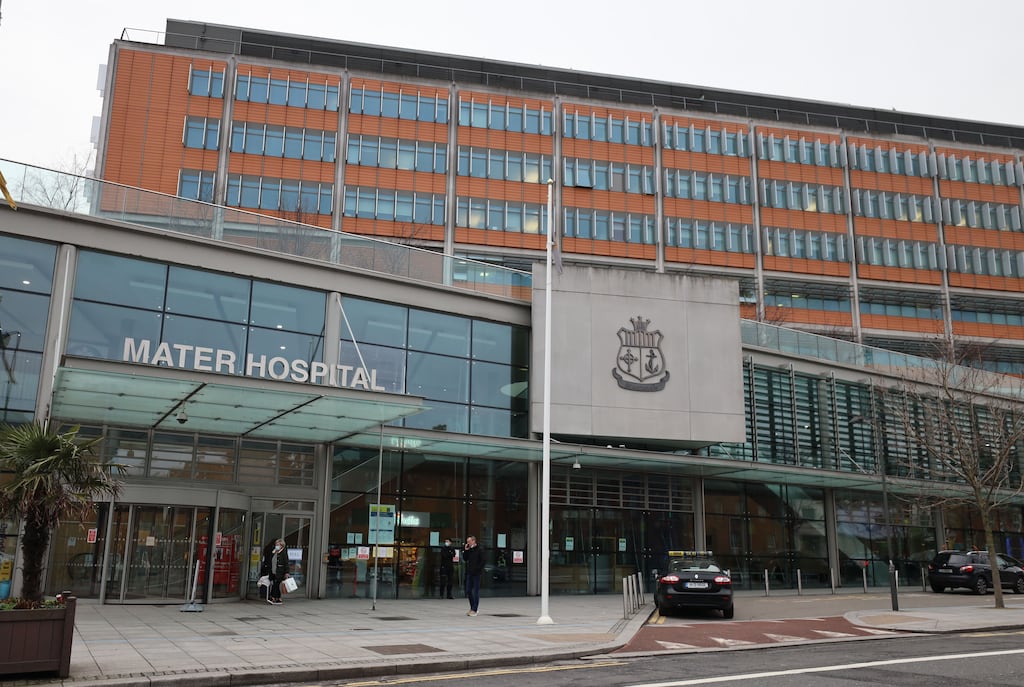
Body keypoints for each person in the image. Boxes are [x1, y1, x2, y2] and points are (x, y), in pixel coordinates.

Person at [260, 539, 290, 605]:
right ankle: (278, 598)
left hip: (280, 572)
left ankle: (273, 597)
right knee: (275, 585)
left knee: (275, 585)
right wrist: (273, 552)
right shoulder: (274, 551)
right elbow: (270, 560)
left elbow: (286, 563)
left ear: (282, 546)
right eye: (276, 544)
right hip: (273, 571)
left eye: (278, 545)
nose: (276, 546)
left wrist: (287, 572)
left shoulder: (283, 553)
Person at [463, 535, 484, 616]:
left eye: (469, 541)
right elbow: (465, 559)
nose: (468, 543)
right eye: (467, 542)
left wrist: (478, 569)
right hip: (470, 573)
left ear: (473, 541)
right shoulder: (470, 550)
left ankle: (475, 609)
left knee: (475, 591)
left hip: (476, 573)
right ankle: (472, 607)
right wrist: (466, 550)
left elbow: (483, 561)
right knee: (468, 590)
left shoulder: (480, 549)